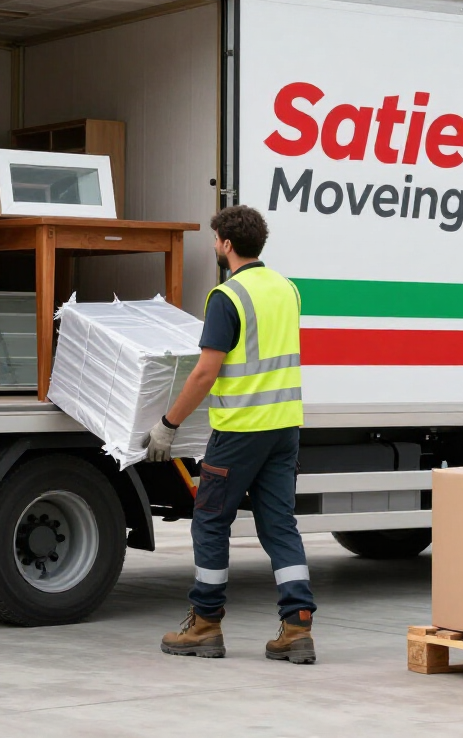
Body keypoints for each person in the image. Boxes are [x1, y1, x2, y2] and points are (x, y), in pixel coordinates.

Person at [142, 205, 316, 664]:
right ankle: (297, 627)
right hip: (284, 428)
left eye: (216, 239)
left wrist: (168, 424)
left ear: (226, 244)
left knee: (211, 520)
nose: (215, 245)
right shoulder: (288, 290)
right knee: (279, 524)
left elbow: (204, 373)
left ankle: (205, 624)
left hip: (240, 429)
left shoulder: (227, 296)